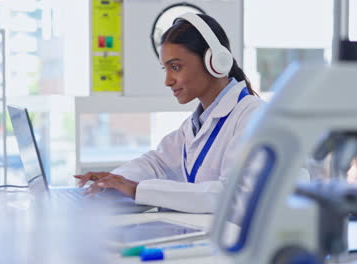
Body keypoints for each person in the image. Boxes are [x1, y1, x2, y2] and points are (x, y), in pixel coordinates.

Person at [74, 13, 264, 213]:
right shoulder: (195, 125)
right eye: (166, 69)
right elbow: (156, 163)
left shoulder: (253, 117)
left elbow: (235, 195)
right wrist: (113, 181)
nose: (168, 80)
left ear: (215, 62)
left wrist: (138, 189)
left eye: (175, 67)